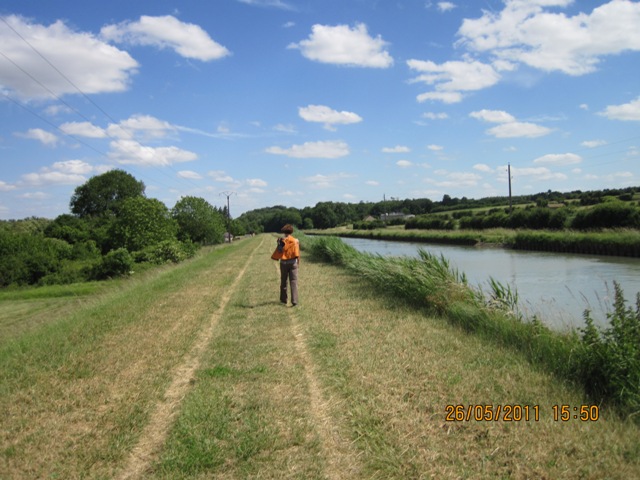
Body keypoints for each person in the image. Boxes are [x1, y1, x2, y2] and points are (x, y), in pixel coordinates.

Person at [271, 224, 300, 306]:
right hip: (293, 263)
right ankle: (294, 300)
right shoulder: (296, 241)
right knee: (293, 281)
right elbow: (297, 253)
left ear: (284, 232)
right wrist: (298, 262)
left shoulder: (281, 241)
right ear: (291, 231)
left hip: (283, 263)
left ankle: (283, 299)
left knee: (283, 281)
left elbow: (279, 251)